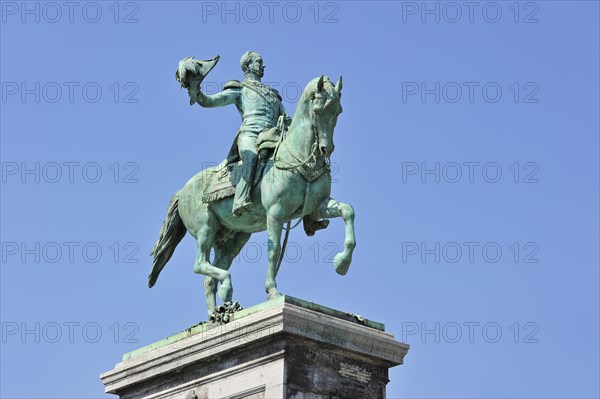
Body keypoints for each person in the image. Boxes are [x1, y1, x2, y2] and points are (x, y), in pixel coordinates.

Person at [188, 50, 291, 217]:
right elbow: (211, 101)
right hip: (250, 134)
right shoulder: (240, 89)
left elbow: (287, 118)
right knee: (251, 157)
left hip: (273, 136)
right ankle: (240, 199)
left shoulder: (273, 95)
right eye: (259, 61)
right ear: (248, 66)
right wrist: (197, 92)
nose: (263, 65)